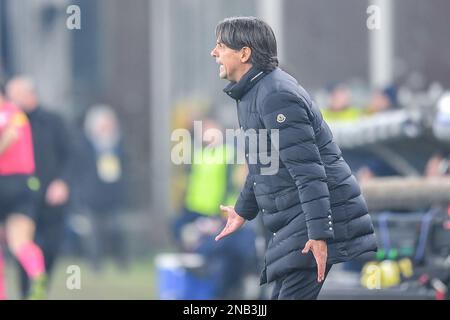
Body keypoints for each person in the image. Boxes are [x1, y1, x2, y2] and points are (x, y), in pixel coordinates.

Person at [211, 17, 378, 300]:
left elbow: (309, 171)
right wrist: (242, 211)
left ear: (245, 53)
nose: (214, 53)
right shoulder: (253, 92)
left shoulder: (276, 96)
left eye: (221, 46)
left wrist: (319, 235)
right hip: (297, 223)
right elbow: (263, 164)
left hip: (310, 225)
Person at [6, 77, 72, 298]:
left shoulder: (51, 121)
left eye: (14, 95)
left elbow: (72, 154)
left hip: (44, 196)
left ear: (29, 94)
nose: (11, 99)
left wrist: (63, 181)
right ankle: (30, 287)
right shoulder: (15, 116)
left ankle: (37, 282)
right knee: (22, 244)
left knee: (47, 246)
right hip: (24, 193)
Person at [0, 80, 47, 299]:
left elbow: (9, 137)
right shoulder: (18, 114)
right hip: (25, 184)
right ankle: (37, 274)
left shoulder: (5, 114)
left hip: (4, 180)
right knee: (20, 241)